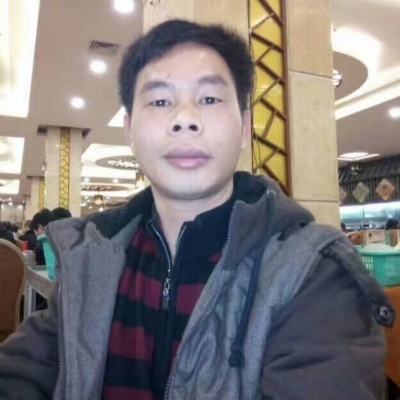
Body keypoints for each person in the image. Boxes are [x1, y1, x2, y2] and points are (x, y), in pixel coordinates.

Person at [0, 20, 393, 400]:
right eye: (160, 101)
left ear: (243, 128)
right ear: (130, 131)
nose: (184, 119)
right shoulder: (89, 262)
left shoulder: (314, 273)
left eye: (209, 99)